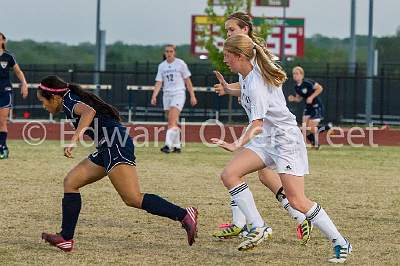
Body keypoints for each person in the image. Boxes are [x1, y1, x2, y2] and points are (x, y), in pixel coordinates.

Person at [212, 34, 351, 263]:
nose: (225, 60)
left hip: (286, 141)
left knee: (298, 201)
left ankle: (340, 241)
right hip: (268, 139)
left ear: (239, 56)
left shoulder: (256, 81)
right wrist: (229, 89)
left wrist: (236, 143)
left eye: (227, 56)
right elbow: (246, 92)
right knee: (230, 174)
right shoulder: (246, 72)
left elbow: (256, 123)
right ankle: (259, 226)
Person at [38, 75, 198, 252]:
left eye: (43, 101)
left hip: (115, 144)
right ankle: (65, 238)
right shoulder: (68, 98)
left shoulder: (68, 101)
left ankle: (184, 214)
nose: (43, 106)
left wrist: (74, 140)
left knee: (132, 198)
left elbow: (89, 112)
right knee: (71, 182)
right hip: (106, 145)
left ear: (54, 97)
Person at [212, 12, 310, 244]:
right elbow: (247, 88)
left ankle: (266, 222)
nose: (228, 34)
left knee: (241, 172)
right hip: (264, 128)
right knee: (254, 174)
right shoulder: (245, 56)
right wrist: (231, 89)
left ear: (244, 30)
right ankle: (249, 223)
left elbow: (260, 89)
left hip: (272, 130)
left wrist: (238, 94)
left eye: (231, 29)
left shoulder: (255, 56)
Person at [151, 44, 197, 153]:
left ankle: (168, 145)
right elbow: (159, 82)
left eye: (171, 51)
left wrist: (192, 95)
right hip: (166, 94)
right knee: (173, 121)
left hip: (178, 93)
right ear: (164, 53)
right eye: (167, 51)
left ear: (174, 52)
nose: (169, 53)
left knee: (171, 122)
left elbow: (187, 81)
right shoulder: (162, 66)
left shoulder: (180, 64)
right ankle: (177, 145)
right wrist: (154, 95)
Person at [288, 66, 332, 149]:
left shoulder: (308, 82)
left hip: (316, 106)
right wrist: (293, 99)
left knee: (311, 128)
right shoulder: (297, 87)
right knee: (304, 128)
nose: (295, 75)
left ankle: (326, 127)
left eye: (297, 73)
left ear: (302, 75)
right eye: (294, 74)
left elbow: (320, 88)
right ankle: (308, 145)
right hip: (308, 107)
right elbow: (299, 98)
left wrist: (311, 97)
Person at [0, 32, 28, 159]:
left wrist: (24, 84)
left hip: (5, 92)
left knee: (2, 121)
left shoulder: (8, 56)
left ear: (3, 41)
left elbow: (18, 71)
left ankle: (2, 148)